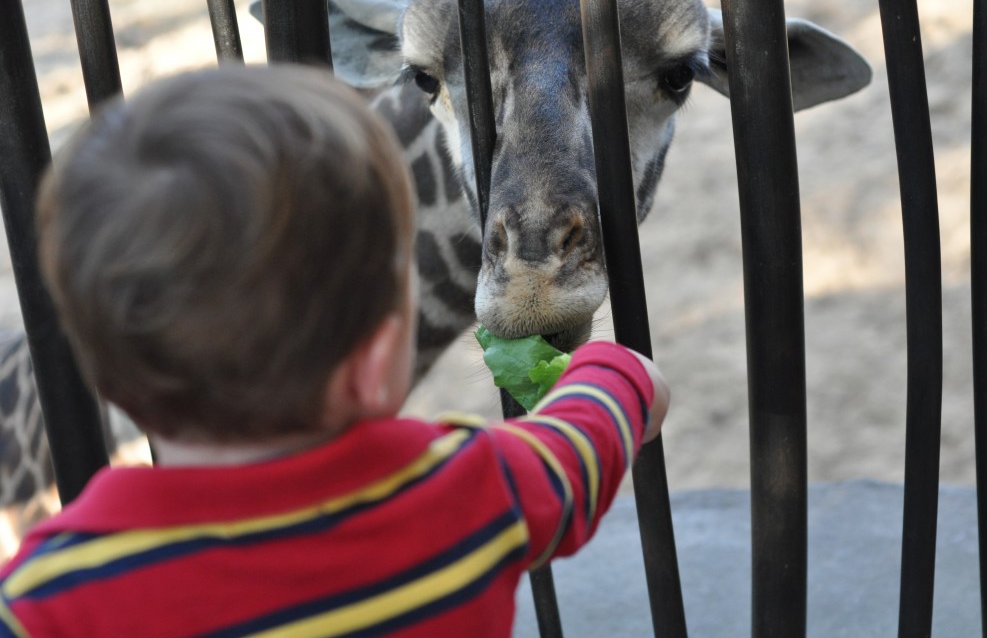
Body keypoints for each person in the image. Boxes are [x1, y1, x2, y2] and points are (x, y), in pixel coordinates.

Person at [0, 64, 670, 637]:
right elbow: (585, 444)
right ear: (381, 366)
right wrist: (616, 374)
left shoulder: (48, 596)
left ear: (107, 382)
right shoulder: (473, 490)